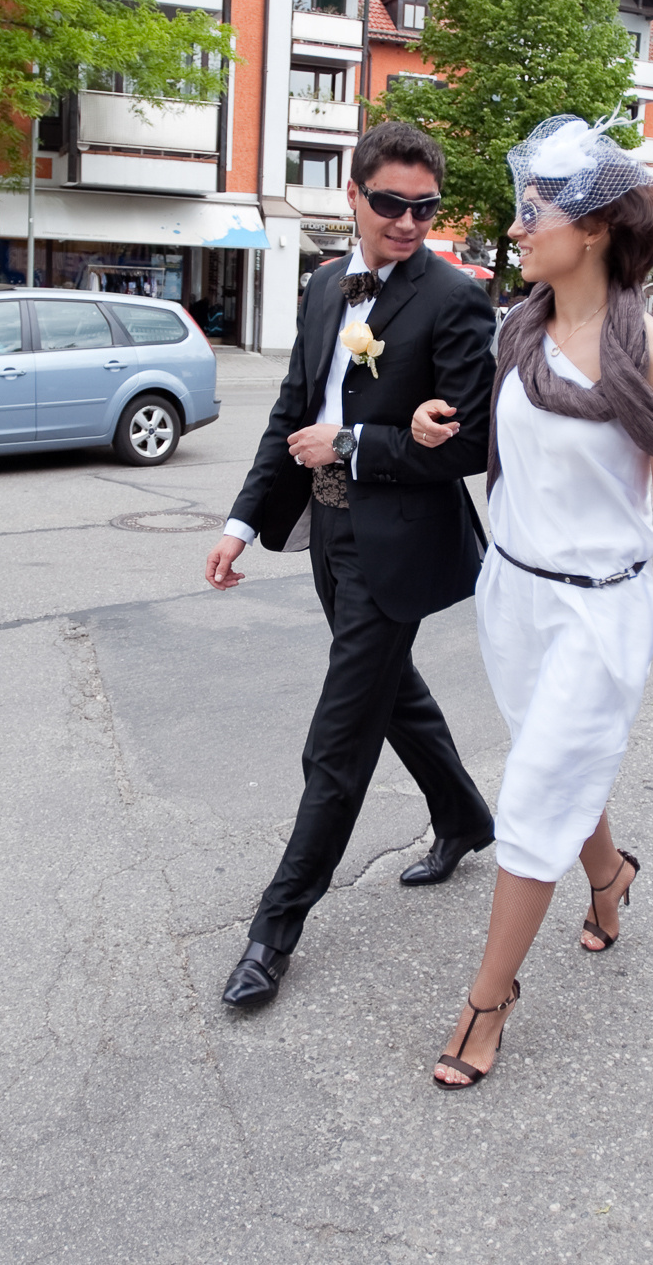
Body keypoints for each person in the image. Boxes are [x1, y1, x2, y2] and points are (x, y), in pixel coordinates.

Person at [406, 113, 653, 1091]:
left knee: (536, 788)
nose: (516, 229)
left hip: (598, 611)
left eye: (531, 212)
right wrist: (433, 424)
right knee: (555, 766)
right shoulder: (521, 328)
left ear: (589, 227)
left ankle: (487, 1002)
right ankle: (608, 875)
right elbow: (505, 447)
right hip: (511, 594)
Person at [202, 121, 500, 1011]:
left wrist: (355, 443)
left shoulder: (456, 297)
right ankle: (465, 817)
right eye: (392, 204)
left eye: (426, 207)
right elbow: (293, 406)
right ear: (354, 198)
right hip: (328, 537)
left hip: (398, 543)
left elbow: (469, 442)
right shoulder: (325, 284)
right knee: (388, 690)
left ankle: (273, 930)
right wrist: (241, 522)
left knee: (337, 740)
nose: (409, 222)